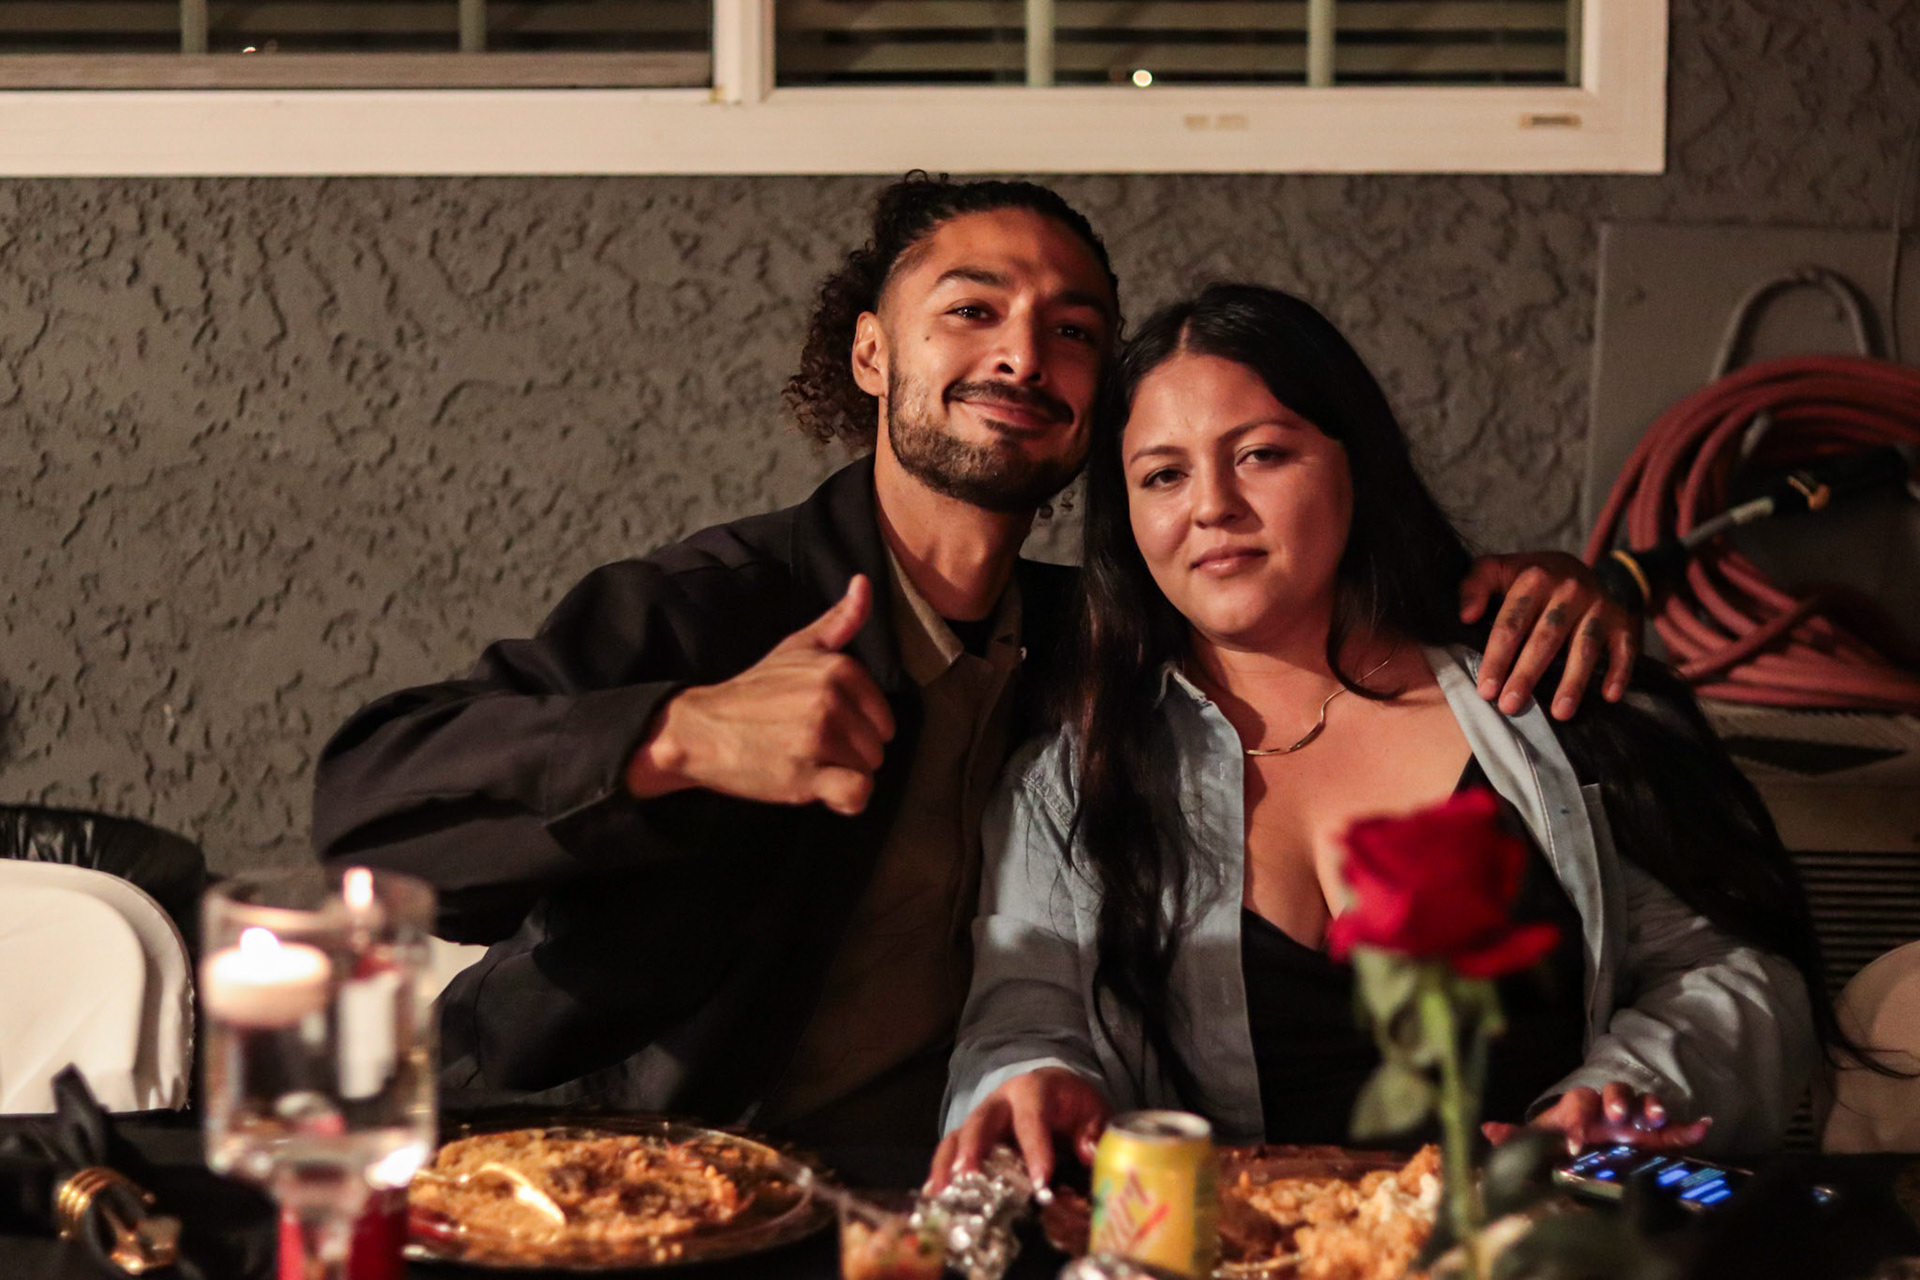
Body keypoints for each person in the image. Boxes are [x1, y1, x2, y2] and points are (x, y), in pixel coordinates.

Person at [311, 181, 1635, 1144]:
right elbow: (368, 807)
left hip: (923, 1203)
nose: (1022, 353)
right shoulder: (717, 611)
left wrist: (1566, 586)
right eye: (972, 310)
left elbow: (1307, 602)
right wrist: (677, 738)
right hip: (592, 1164)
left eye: (1074, 330)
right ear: (872, 353)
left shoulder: (1095, 650)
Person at [935, 284, 1827, 1186]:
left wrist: (1618, 1096)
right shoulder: (1075, 777)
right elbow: (1023, 1019)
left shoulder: (1547, 698)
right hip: (1228, 1245)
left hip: (1535, 1236)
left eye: (1261, 454)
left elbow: (1734, 971)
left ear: (1356, 464)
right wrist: (1033, 1082)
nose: (1212, 505)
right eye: (1164, 475)